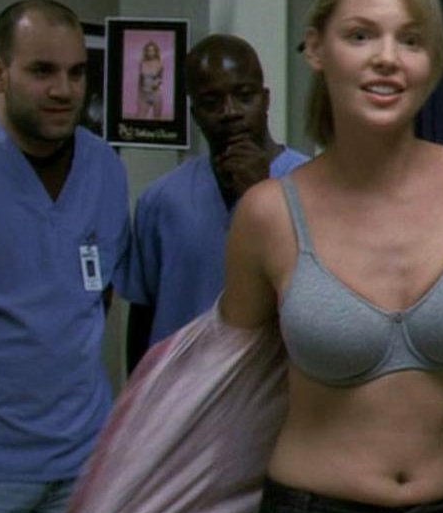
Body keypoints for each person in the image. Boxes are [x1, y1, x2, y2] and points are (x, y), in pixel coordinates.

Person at [61, 0, 443, 513]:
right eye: (360, 35)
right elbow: (215, 391)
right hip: (313, 511)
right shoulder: (269, 214)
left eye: (410, 39)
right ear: (316, 48)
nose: (386, 57)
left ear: (432, 59)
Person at [0, 0, 131, 513]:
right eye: (42, 71)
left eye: (76, 73)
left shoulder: (104, 166)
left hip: (84, 457)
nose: (64, 90)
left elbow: (94, 298)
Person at [120, 34, 309, 373]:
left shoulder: (315, 187)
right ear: (195, 113)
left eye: (244, 96)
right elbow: (143, 318)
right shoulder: (161, 200)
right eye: (212, 102)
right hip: (180, 390)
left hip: (276, 389)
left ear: (265, 99)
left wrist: (262, 195)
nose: (230, 112)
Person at [135, 40, 164, 119]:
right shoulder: (142, 63)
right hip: (144, 94)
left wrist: (156, 84)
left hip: (155, 94)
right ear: (146, 51)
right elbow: (140, 80)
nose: (150, 52)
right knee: (140, 116)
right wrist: (139, 95)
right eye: (148, 50)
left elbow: (160, 78)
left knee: (157, 118)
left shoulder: (159, 63)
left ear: (155, 51)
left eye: (152, 50)